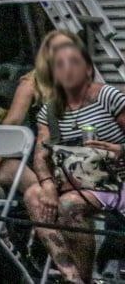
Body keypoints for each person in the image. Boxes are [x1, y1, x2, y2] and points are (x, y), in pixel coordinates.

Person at [25, 38, 125, 283]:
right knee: (33, 196)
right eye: (59, 64)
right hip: (75, 181)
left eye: (73, 63)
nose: (66, 69)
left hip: (116, 179)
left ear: (88, 69)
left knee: (68, 206)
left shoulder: (107, 96)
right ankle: (72, 277)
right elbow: (41, 154)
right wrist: (47, 184)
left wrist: (121, 149)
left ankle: (84, 277)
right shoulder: (50, 110)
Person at [0, 29, 77, 197]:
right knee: (8, 172)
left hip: (70, 159)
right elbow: (13, 122)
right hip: (38, 157)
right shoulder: (32, 83)